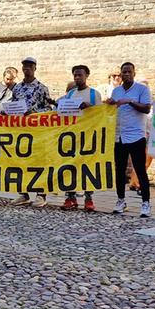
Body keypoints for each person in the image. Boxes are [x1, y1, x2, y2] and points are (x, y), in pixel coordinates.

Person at [106, 62, 153, 217]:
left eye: (129, 72)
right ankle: (121, 200)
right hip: (119, 135)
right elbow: (111, 110)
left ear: (134, 73)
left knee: (140, 170)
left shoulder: (142, 89)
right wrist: (110, 104)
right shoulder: (116, 91)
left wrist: (130, 101)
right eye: (123, 72)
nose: (126, 74)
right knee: (119, 170)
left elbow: (146, 108)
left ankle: (145, 202)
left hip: (136, 135)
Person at [9, 57, 53, 206]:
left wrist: (33, 112)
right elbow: (13, 104)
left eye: (29, 66)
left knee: (39, 161)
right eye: (24, 66)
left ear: (35, 68)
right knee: (22, 161)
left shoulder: (41, 88)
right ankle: (24, 193)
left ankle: (41, 194)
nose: (26, 69)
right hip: (21, 131)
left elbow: (48, 110)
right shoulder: (17, 88)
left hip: (37, 131)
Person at [61, 64, 102, 212]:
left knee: (88, 167)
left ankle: (89, 198)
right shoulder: (70, 94)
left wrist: (90, 106)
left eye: (80, 75)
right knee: (70, 166)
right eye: (75, 75)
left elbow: (101, 113)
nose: (77, 78)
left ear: (87, 76)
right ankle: (70, 197)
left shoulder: (93, 94)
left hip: (89, 135)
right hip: (72, 135)